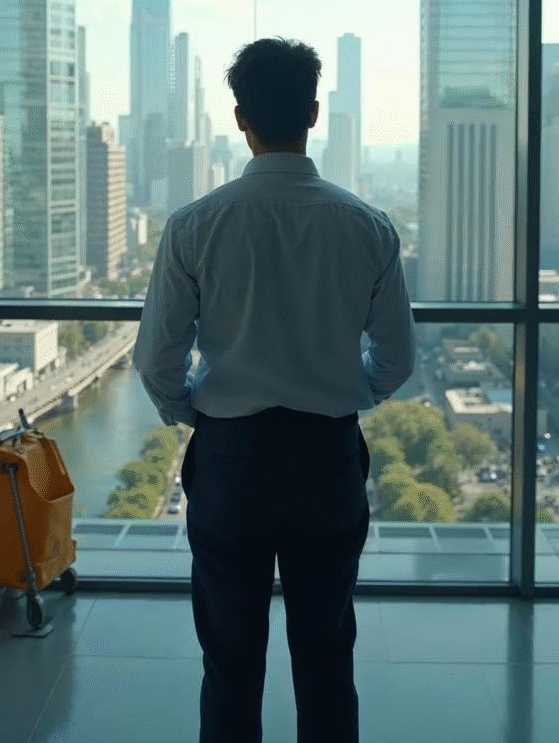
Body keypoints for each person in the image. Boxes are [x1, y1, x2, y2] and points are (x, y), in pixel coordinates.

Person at [134, 37, 415, 743]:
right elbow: (397, 359)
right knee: (326, 658)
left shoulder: (194, 225)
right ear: (314, 113)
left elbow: (155, 359)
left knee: (230, 663)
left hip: (232, 460)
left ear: (239, 118)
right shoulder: (368, 226)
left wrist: (191, 409)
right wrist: (350, 393)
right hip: (326, 459)